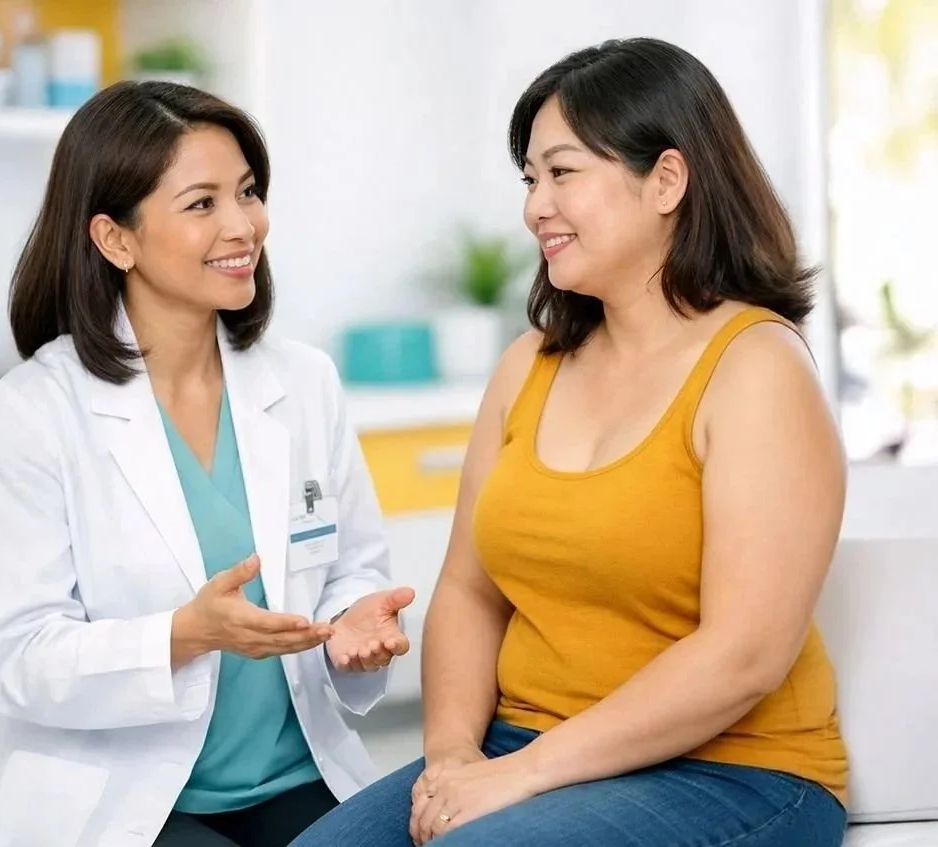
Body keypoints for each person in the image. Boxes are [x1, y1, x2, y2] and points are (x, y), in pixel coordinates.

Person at [292, 37, 848, 847]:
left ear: (666, 179)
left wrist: (519, 774)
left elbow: (743, 656)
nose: (533, 207)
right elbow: (468, 591)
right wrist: (450, 757)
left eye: (561, 173)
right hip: (524, 744)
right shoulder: (528, 365)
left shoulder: (756, 368)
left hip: (733, 771)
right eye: (529, 178)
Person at [0, 81, 415, 847]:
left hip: (297, 777)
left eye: (247, 192)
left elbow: (351, 570)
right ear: (116, 239)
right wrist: (184, 633)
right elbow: (20, 658)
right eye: (202, 203)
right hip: (132, 797)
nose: (245, 225)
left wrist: (354, 623)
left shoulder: (303, 382)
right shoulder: (36, 409)